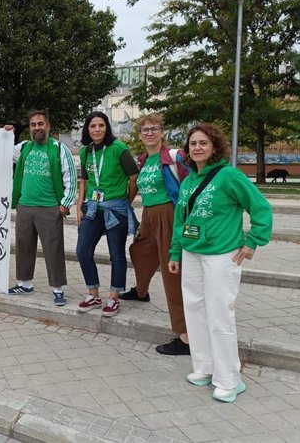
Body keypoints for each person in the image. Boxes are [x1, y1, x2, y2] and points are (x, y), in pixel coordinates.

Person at [168, 124, 271, 403]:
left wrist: (253, 241)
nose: (197, 148)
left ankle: (229, 379)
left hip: (221, 255)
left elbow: (260, 207)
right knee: (195, 312)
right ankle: (205, 367)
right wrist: (175, 253)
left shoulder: (229, 176)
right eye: (193, 144)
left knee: (219, 315)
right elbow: (182, 221)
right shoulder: (188, 181)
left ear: (215, 147)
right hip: (192, 253)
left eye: (203, 143)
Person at [122, 114, 191, 355]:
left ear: (163, 132)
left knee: (172, 274)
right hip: (149, 214)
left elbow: (192, 185)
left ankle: (185, 336)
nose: (149, 133)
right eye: (145, 130)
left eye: (154, 129)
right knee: (139, 251)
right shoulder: (143, 160)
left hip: (169, 214)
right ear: (139, 135)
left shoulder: (174, 157)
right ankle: (141, 292)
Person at [7, 110, 77, 306]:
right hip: (25, 207)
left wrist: (65, 204)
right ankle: (25, 284)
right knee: (23, 247)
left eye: (40, 124)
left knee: (53, 249)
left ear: (48, 126)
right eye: (33, 125)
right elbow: (1, 152)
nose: (37, 128)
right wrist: (4, 135)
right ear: (30, 128)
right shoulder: (24, 148)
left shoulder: (59, 149)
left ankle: (57, 288)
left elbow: (70, 177)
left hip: (49, 208)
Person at [76, 111, 139, 317]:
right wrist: (79, 207)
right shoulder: (86, 152)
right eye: (93, 126)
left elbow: (133, 178)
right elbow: (84, 182)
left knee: (116, 254)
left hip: (115, 209)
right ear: (87, 129)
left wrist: (125, 202)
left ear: (107, 128)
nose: (97, 130)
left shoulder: (118, 148)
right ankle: (93, 294)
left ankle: (114, 297)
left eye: (101, 126)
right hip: (92, 208)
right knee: (82, 251)